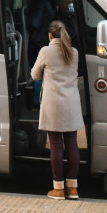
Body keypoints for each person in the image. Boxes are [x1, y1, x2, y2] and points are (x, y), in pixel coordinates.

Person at [30, 20, 83, 200]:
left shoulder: (46, 51)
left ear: (50, 35)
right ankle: (73, 188)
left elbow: (34, 74)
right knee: (72, 145)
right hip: (71, 104)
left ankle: (58, 188)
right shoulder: (74, 52)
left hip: (53, 104)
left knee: (56, 146)